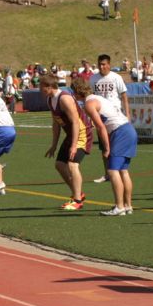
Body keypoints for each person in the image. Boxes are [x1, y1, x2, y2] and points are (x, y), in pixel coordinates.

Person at [72, 78, 137, 216]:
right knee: (123, 171)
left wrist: (106, 148)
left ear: (77, 92)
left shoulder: (89, 104)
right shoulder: (97, 98)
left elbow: (100, 127)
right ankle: (127, 206)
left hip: (120, 132)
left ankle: (119, 207)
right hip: (128, 129)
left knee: (113, 171)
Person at [41, 73, 93, 211]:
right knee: (59, 164)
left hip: (82, 133)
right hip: (71, 135)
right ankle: (78, 194)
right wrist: (54, 145)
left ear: (50, 86)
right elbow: (56, 124)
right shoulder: (49, 100)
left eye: (42, 87)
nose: (40, 90)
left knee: (72, 164)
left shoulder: (64, 98)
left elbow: (76, 122)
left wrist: (74, 145)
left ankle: (77, 200)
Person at [90, 53, 130, 183]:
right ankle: (107, 173)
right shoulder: (93, 79)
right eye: (100, 64)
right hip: (100, 116)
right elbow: (91, 97)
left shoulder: (116, 77)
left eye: (104, 64)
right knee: (104, 146)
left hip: (115, 116)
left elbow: (124, 96)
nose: (101, 67)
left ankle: (116, 171)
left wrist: (127, 114)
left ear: (109, 65)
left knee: (115, 146)